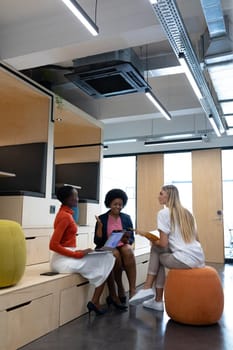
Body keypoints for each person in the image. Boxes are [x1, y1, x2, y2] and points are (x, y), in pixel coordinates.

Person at [129, 184, 205, 311]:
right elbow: (196, 239)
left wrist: (149, 238)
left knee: (156, 250)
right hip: (199, 258)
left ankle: (149, 290)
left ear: (168, 196)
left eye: (161, 194)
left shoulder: (164, 213)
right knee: (159, 252)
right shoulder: (187, 213)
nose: (158, 196)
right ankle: (155, 298)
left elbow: (163, 244)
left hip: (183, 260)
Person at [49, 185, 115, 316]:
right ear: (68, 199)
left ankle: (95, 301)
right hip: (61, 261)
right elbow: (53, 245)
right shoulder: (65, 217)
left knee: (107, 256)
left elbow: (65, 244)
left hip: (68, 255)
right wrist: (77, 254)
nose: (78, 199)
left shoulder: (67, 214)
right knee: (107, 258)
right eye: (75, 196)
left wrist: (81, 251)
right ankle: (95, 301)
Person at [94, 189, 136, 307]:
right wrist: (100, 227)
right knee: (115, 255)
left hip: (122, 245)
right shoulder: (102, 219)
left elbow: (132, 237)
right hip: (108, 247)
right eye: (115, 204)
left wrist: (127, 240)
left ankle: (133, 290)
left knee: (128, 250)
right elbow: (97, 241)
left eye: (120, 204)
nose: (118, 207)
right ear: (109, 204)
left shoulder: (126, 218)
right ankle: (120, 288)